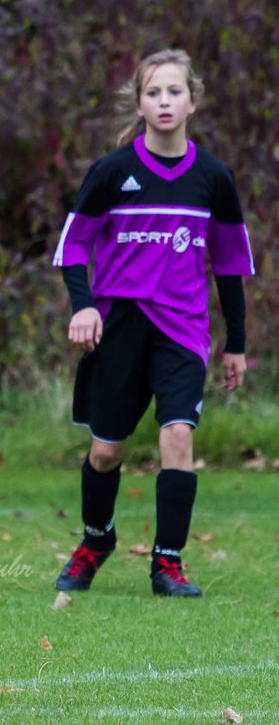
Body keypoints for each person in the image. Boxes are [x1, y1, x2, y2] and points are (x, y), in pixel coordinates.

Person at [52, 48, 253, 598]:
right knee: (106, 451)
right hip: (118, 327)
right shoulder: (113, 171)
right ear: (139, 103)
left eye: (174, 92)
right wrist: (83, 304)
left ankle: (168, 563)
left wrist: (235, 343)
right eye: (153, 92)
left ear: (192, 100)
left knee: (178, 438)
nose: (164, 101)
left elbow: (232, 265)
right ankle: (96, 541)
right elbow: (73, 246)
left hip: (182, 330)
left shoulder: (213, 178)